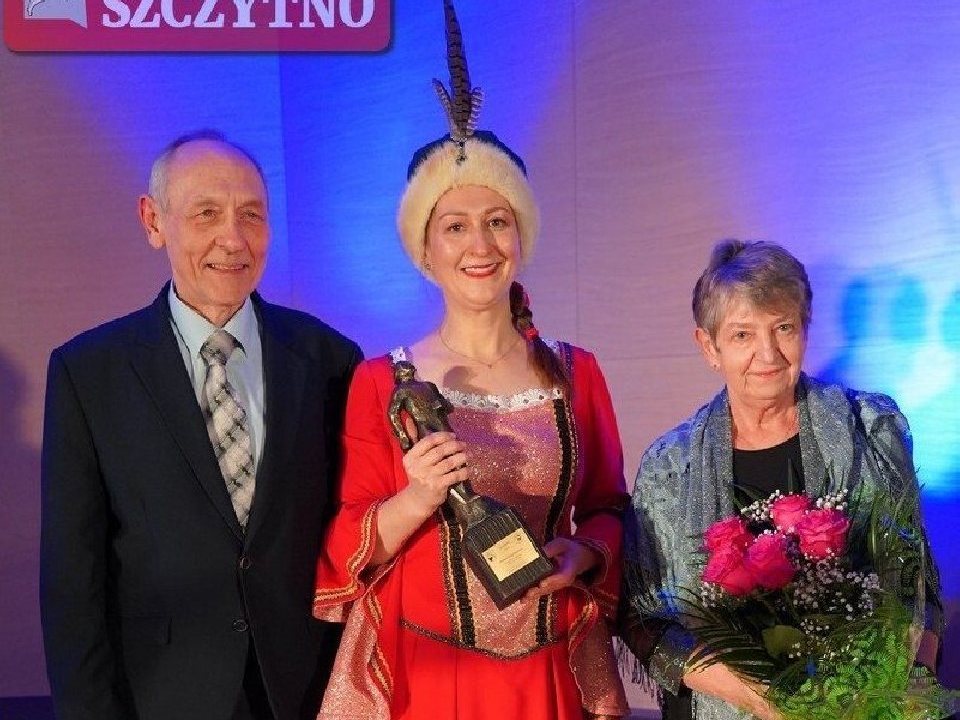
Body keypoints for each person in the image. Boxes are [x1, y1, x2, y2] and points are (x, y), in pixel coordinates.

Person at [311, 4, 629, 718]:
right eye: (454, 226)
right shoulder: (380, 383)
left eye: (497, 222)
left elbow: (610, 510)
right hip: (426, 672)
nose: (479, 245)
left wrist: (583, 553)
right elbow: (349, 541)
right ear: (425, 252)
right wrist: (416, 497)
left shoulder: (577, 374)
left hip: (550, 669)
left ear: (521, 238)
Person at [40, 130, 362, 720]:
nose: (232, 239)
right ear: (153, 220)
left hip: (309, 690)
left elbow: (352, 532)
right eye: (206, 213)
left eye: (251, 215)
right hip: (161, 696)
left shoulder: (330, 360)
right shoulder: (89, 373)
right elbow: (72, 582)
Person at [620, 240, 945, 720]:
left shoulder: (872, 428)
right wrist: (759, 697)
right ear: (709, 347)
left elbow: (918, 581)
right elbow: (643, 619)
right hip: (724, 705)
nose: (768, 353)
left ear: (805, 329)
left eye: (783, 328)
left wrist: (900, 692)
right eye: (742, 335)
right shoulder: (670, 466)